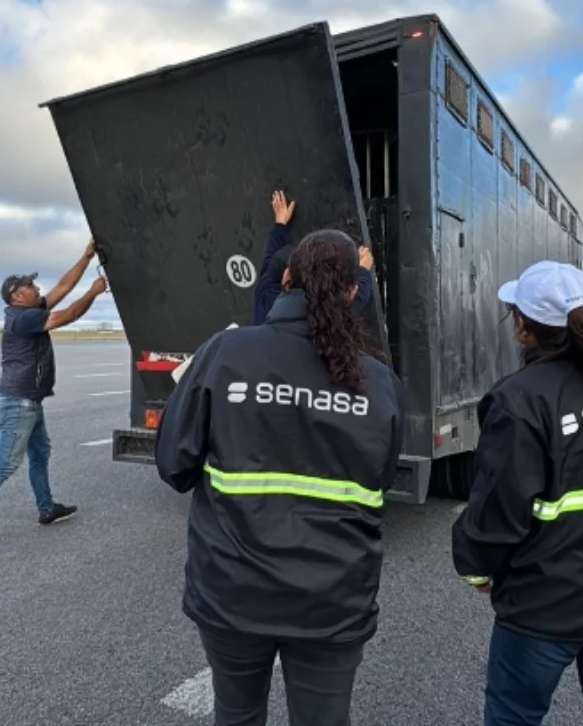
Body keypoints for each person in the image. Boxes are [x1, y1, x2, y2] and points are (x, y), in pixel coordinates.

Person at [155, 228, 404, 726]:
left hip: (231, 594)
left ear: (286, 279)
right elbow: (379, 479)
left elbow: (174, 463)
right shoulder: (378, 382)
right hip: (331, 602)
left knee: (237, 715)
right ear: (355, 292)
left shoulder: (225, 353)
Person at [451, 260, 583, 726]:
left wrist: (475, 568)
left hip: (545, 603)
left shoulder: (521, 397)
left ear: (524, 326)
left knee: (513, 716)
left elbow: (500, 508)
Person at [0, 241, 109, 557]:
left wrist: (86, 257)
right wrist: (94, 292)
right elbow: (70, 313)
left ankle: (47, 508)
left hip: (27, 402)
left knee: (40, 451)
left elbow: (64, 286)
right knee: (3, 465)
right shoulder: (24, 319)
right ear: (17, 296)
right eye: (30, 285)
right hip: (18, 404)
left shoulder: (28, 311)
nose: (37, 288)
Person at [253, 189, 375, 325]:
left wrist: (280, 224)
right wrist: (363, 270)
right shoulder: (319, 315)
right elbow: (353, 303)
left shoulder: (265, 289)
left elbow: (270, 255)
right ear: (287, 275)